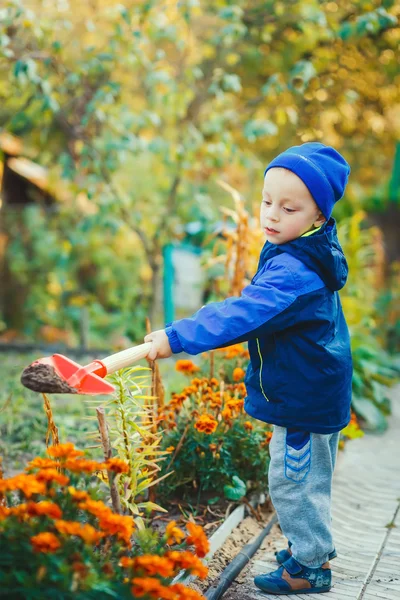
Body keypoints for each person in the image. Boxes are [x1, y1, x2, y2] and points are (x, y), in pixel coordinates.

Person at [144, 142, 352, 595]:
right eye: (266, 201)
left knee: (292, 482)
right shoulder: (307, 249)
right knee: (309, 477)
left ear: (318, 217)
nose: (272, 215)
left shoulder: (296, 269)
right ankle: (310, 547)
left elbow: (243, 314)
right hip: (314, 390)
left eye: (288, 207)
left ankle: (310, 567)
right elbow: (266, 302)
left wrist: (174, 337)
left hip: (304, 399)